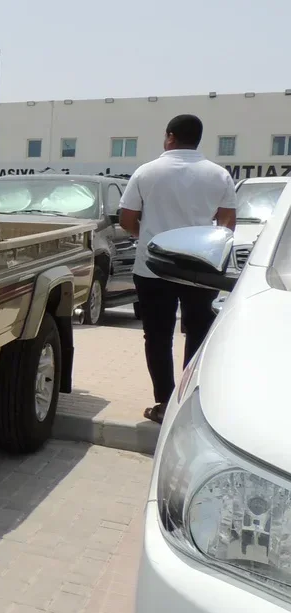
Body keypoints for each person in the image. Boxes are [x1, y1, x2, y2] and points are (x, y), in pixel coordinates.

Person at [118, 114, 236, 423]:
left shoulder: (146, 172)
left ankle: (164, 402)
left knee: (157, 337)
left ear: (170, 136)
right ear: (198, 139)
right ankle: (188, 403)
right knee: (198, 335)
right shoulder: (219, 175)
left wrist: (146, 237)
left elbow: (127, 219)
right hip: (201, 268)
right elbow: (227, 223)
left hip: (153, 268)